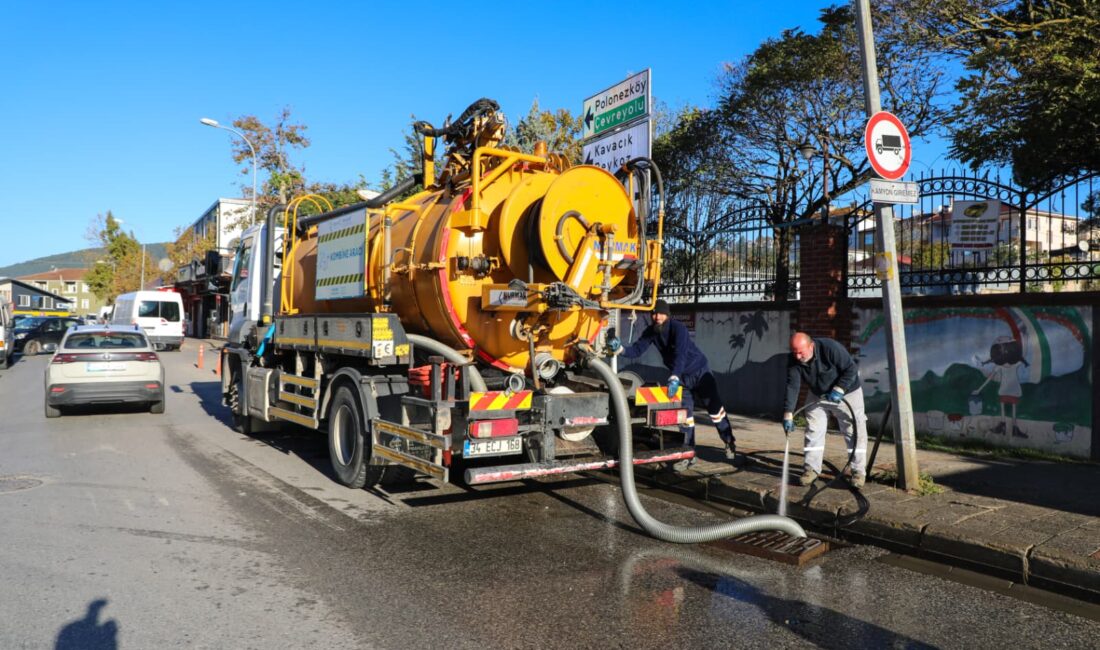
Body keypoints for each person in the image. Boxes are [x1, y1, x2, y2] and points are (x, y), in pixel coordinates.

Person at [609, 299, 739, 472]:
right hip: (681, 379)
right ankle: (688, 454)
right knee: (685, 417)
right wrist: (620, 350)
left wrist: (674, 376)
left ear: (668, 315)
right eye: (654, 313)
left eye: (661, 313)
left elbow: (680, 354)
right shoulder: (652, 332)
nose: (657, 317)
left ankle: (729, 441)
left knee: (715, 411)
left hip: (699, 372)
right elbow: (637, 349)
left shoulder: (679, 329)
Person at [782, 332, 868, 488]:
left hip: (847, 393)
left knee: (854, 431)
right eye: (795, 352)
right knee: (813, 430)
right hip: (817, 393)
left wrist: (840, 388)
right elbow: (792, 386)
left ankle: (858, 472)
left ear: (811, 346)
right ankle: (811, 469)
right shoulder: (793, 359)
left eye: (801, 352)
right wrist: (788, 414)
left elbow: (851, 369)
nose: (798, 356)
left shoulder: (830, 348)